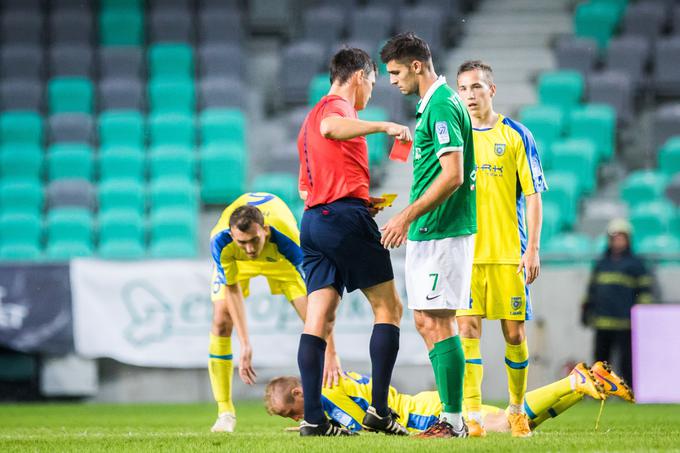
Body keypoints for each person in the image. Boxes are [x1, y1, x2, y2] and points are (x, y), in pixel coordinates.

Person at [295, 47, 413, 437]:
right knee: (389, 307)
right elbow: (333, 128)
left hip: (314, 221)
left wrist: (358, 200)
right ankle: (379, 411)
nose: (372, 93)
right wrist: (384, 127)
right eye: (374, 82)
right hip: (342, 219)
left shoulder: (307, 120)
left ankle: (313, 419)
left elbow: (304, 186)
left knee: (320, 316)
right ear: (360, 76)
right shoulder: (336, 110)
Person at [379, 33, 477, 438]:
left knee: (439, 320)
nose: (392, 80)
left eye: (396, 72)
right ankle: (451, 418)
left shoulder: (440, 106)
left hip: (442, 231)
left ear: (417, 66)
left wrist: (405, 216)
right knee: (424, 319)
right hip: (429, 230)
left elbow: (453, 175)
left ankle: (453, 421)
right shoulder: (432, 107)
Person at [454, 60, 548, 438]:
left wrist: (533, 249)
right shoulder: (456, 138)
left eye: (476, 87)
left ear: (491, 91)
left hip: (509, 254)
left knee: (514, 335)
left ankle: (516, 409)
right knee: (467, 332)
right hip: (466, 255)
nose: (470, 95)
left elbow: (534, 195)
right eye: (463, 89)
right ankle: (472, 415)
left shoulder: (516, 135)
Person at [207, 192, 341, 433]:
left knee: (312, 319)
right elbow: (232, 289)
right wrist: (245, 343)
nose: (249, 249)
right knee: (220, 322)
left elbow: (319, 300)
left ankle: (324, 405)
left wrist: (331, 352)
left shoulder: (290, 242)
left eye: (253, 240)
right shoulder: (220, 241)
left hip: (280, 261)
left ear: (265, 230)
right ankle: (225, 412)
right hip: (237, 266)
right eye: (242, 242)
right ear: (232, 236)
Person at [264, 361, 634, 434]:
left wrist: (310, 429)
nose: (296, 418)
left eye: (291, 411)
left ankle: (575, 383)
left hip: (422, 417)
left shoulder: (323, 393)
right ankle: (581, 383)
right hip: (423, 404)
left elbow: (354, 431)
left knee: (508, 424)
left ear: (300, 392)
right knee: (523, 424)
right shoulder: (331, 380)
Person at [581, 218, 654, 386]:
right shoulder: (601, 263)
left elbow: (644, 292)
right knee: (600, 363)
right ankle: (600, 393)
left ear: (628, 239)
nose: (618, 241)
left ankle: (631, 394)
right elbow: (592, 290)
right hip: (602, 322)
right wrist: (586, 310)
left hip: (625, 323)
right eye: (615, 238)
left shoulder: (636, 264)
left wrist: (642, 317)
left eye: (621, 237)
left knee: (627, 362)